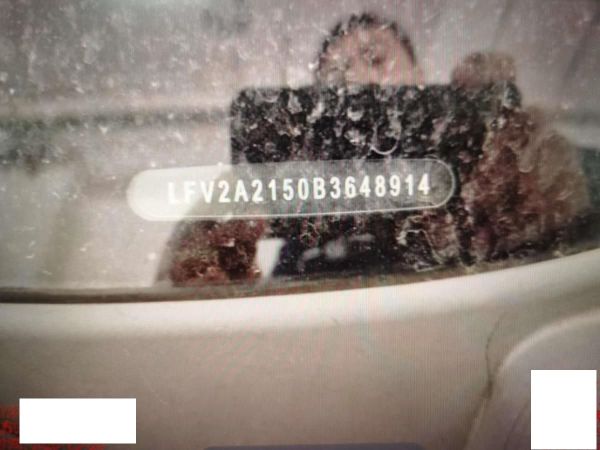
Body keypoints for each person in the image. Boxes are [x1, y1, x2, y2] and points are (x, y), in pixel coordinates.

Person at [157, 13, 589, 286]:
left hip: (462, 351)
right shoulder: (295, 204)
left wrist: (547, 172)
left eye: (376, 59)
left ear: (420, 78)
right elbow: (187, 287)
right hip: (318, 365)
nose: (356, 79)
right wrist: (206, 251)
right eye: (336, 75)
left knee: (565, 408)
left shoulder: (488, 167)